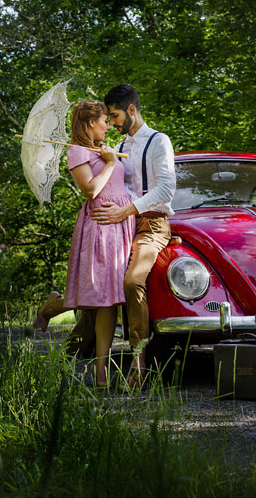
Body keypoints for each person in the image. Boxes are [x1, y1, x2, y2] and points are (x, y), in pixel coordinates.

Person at [90, 84, 175, 388]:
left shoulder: (159, 141)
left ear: (131, 110)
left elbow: (166, 189)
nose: (111, 122)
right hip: (121, 226)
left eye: (114, 116)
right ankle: (77, 347)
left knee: (131, 281)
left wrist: (126, 211)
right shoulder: (119, 146)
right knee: (98, 283)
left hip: (152, 225)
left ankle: (138, 365)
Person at [47, 100, 136, 387]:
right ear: (89, 124)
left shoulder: (105, 148)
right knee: (102, 298)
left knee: (112, 299)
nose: (108, 125)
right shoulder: (76, 151)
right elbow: (91, 189)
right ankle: (100, 372)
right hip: (101, 225)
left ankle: (102, 369)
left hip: (122, 222)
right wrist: (110, 163)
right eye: (103, 121)